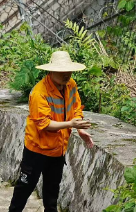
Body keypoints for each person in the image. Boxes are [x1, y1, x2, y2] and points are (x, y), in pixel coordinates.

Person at [9, 51, 94, 212]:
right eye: (62, 71)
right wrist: (70, 123)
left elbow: (76, 108)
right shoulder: (39, 93)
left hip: (58, 150)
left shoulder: (71, 85)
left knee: (52, 193)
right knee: (24, 189)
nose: (66, 75)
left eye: (68, 71)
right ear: (51, 71)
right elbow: (44, 124)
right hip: (36, 150)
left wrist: (79, 127)